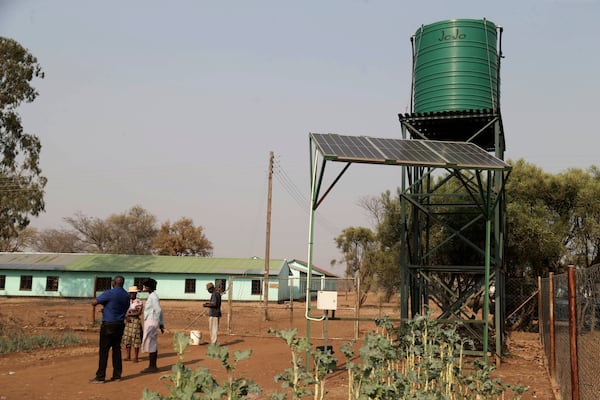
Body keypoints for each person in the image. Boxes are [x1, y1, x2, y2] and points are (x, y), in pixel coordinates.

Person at [90, 275, 130, 384]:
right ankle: (117, 375)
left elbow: (94, 302)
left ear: (114, 283)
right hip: (120, 324)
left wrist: (103, 304)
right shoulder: (126, 295)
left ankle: (100, 376)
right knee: (117, 350)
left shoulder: (109, 293)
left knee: (104, 351)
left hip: (108, 324)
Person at [141, 278, 164, 373]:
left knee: (151, 343)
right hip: (150, 320)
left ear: (149, 287)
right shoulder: (152, 296)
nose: (144, 288)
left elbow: (158, 310)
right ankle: (152, 365)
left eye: (145, 286)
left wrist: (161, 323)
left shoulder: (153, 297)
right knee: (151, 342)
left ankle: (152, 366)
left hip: (152, 321)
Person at [122, 285, 143, 362]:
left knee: (136, 338)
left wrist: (129, 315)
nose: (131, 295)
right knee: (127, 338)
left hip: (135, 321)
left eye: (132, 293)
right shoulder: (127, 301)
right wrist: (126, 316)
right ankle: (128, 356)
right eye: (130, 293)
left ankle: (136, 357)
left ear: (135, 293)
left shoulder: (138, 301)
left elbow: (139, 312)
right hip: (128, 321)